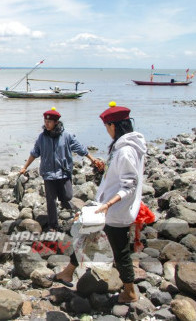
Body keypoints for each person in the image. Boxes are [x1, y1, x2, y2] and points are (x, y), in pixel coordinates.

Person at [52, 101, 146, 304]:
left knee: (120, 253)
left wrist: (108, 204)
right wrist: (105, 171)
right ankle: (68, 272)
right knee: (85, 236)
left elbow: (129, 184)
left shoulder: (125, 151)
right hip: (108, 208)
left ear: (113, 126)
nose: (107, 131)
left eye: (106, 127)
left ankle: (129, 292)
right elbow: (120, 176)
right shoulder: (126, 146)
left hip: (115, 211)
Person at [20, 107, 97, 232]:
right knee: (50, 200)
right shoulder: (42, 137)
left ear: (56, 122)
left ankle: (64, 202)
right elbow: (34, 153)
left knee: (68, 195)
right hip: (48, 173)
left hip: (64, 172)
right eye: (45, 121)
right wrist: (24, 167)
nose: (46, 123)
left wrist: (93, 159)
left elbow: (80, 149)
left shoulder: (66, 136)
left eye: (49, 122)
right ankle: (53, 225)